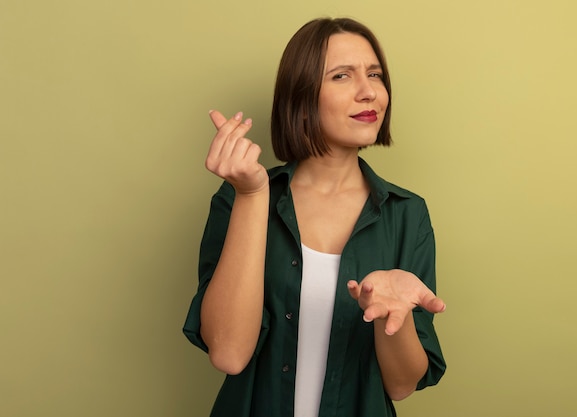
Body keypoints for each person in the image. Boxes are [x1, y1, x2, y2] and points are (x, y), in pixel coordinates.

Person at [183, 17, 446, 417]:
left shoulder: (406, 214)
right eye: (342, 76)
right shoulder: (236, 199)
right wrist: (253, 194)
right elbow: (229, 354)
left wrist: (395, 316)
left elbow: (401, 384)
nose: (368, 92)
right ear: (301, 96)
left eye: (375, 75)